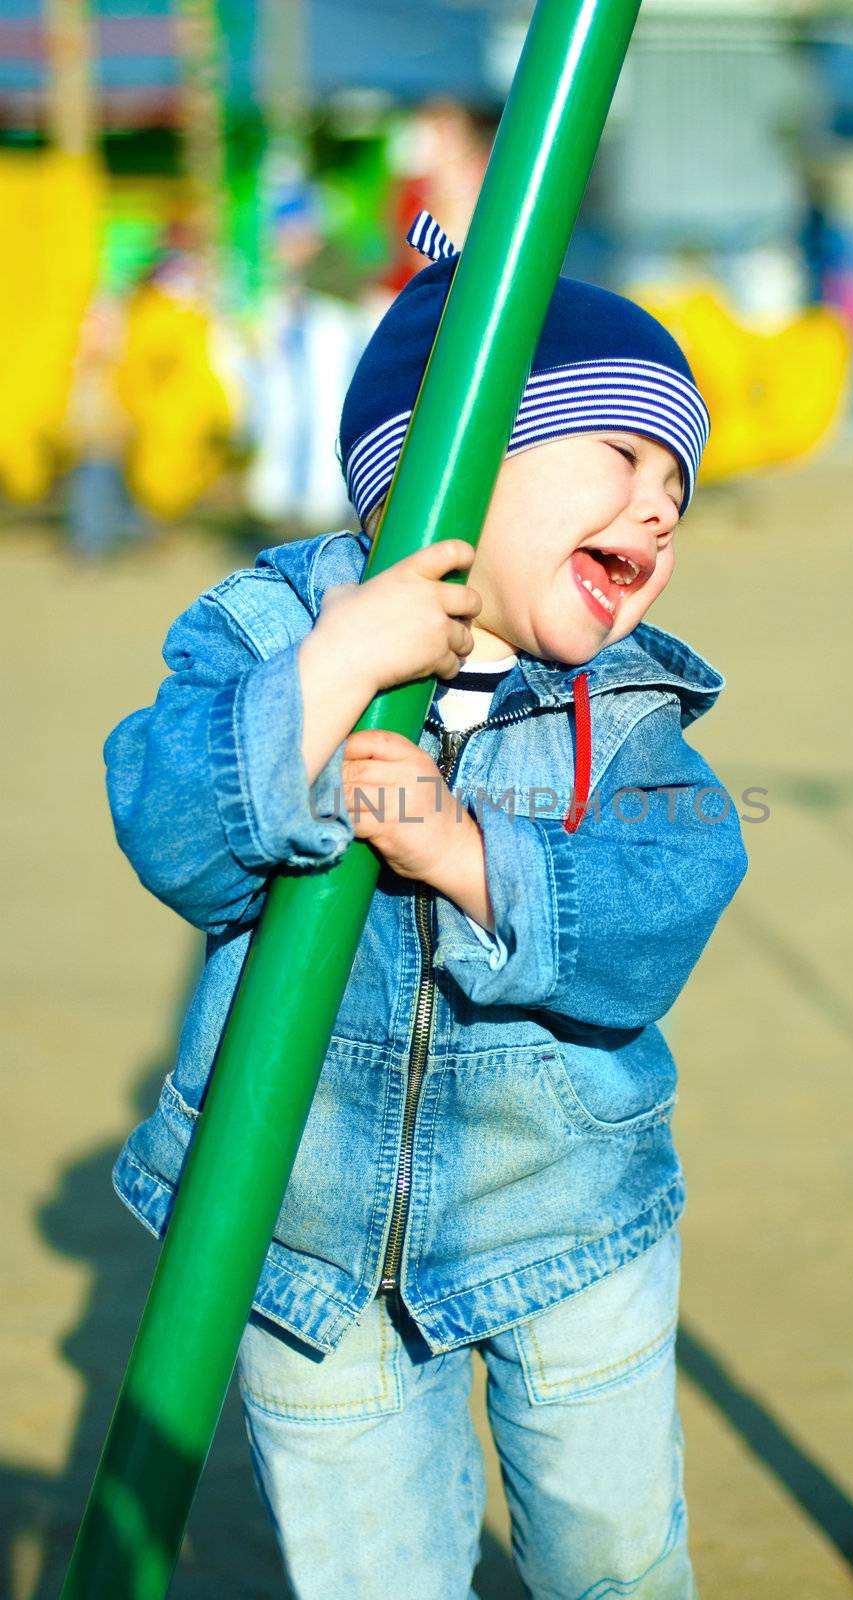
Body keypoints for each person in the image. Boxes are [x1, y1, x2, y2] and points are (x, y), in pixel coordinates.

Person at [104, 213, 749, 1598]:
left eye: (677, 493)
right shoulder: (270, 634)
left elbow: (665, 903)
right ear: (451, 460)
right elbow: (169, 829)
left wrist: (468, 853)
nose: (660, 509)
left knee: (614, 1558)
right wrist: (331, 674)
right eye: (624, 456)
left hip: (565, 1209)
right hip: (307, 1239)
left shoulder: (621, 711)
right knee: (372, 1576)